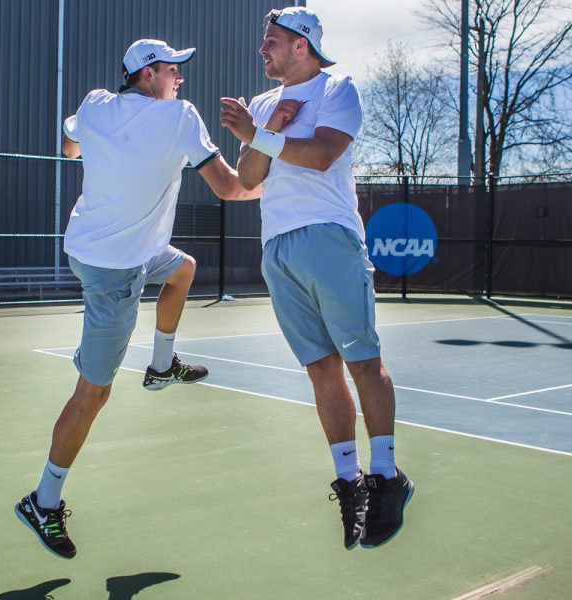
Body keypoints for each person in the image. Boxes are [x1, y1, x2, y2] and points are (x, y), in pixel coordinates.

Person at [15, 39, 262, 559]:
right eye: (173, 70)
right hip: (113, 271)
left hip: (94, 246)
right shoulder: (179, 118)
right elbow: (231, 189)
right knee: (93, 394)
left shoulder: (95, 104)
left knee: (184, 269)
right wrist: (273, 166)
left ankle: (160, 365)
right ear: (148, 75)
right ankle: (43, 499)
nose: (180, 78)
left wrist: (90, 147)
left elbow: (69, 143)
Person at [219, 7, 414, 550]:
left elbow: (325, 154)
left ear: (302, 45)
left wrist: (263, 134)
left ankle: (387, 476)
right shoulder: (263, 104)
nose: (264, 51)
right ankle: (350, 483)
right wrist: (262, 131)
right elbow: (247, 178)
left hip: (329, 236)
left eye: (272, 42)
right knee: (321, 371)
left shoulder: (337, 87)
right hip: (277, 247)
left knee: (362, 362)